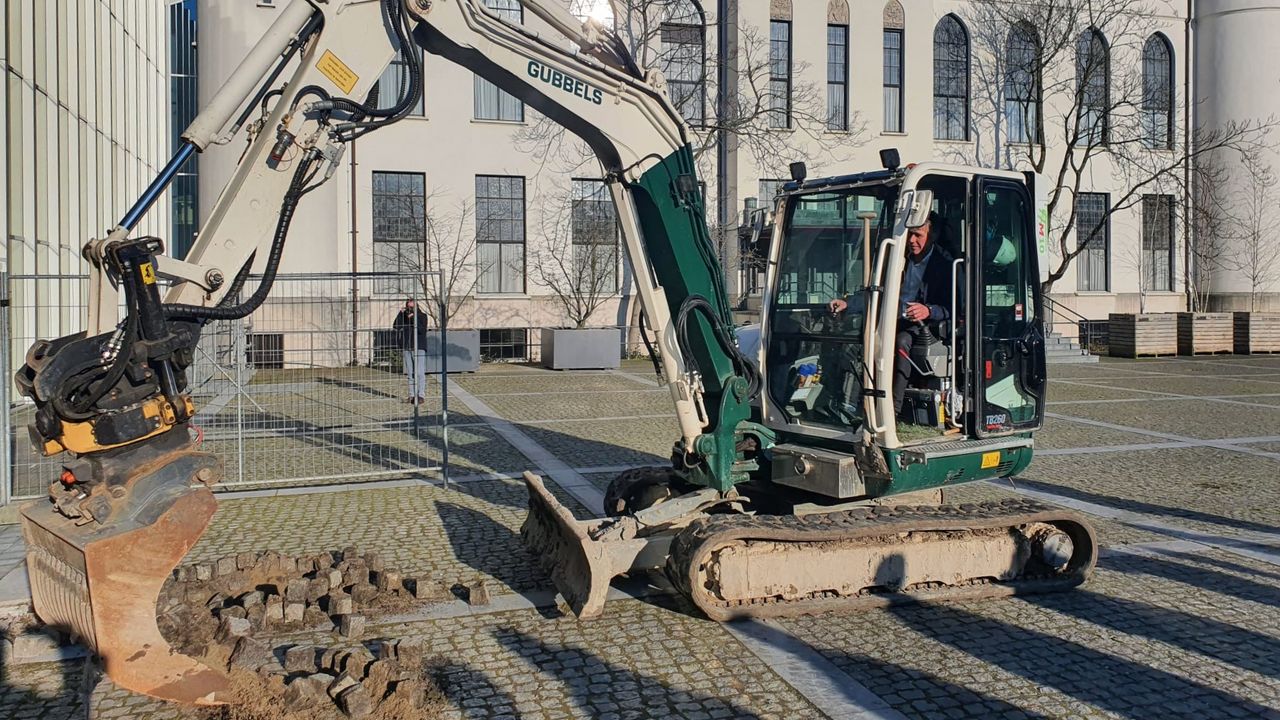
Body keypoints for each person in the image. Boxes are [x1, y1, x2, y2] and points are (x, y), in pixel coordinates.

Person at [829, 213, 952, 416]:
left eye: (918, 235)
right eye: (909, 234)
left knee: (901, 341)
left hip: (923, 326)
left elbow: (954, 307)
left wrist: (928, 310)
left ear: (932, 236)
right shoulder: (897, 260)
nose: (911, 240)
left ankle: (892, 410)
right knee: (854, 338)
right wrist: (847, 303)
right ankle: (847, 403)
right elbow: (876, 292)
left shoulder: (945, 266)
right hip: (891, 319)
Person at [393, 298, 430, 405]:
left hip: (419, 347)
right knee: (410, 373)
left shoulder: (422, 316)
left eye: (412, 307)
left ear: (416, 306)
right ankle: (412, 395)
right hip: (407, 347)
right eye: (408, 307)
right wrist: (401, 314)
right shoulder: (404, 317)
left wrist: (413, 318)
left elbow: (421, 330)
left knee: (419, 372)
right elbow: (396, 326)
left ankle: (421, 395)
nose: (410, 309)